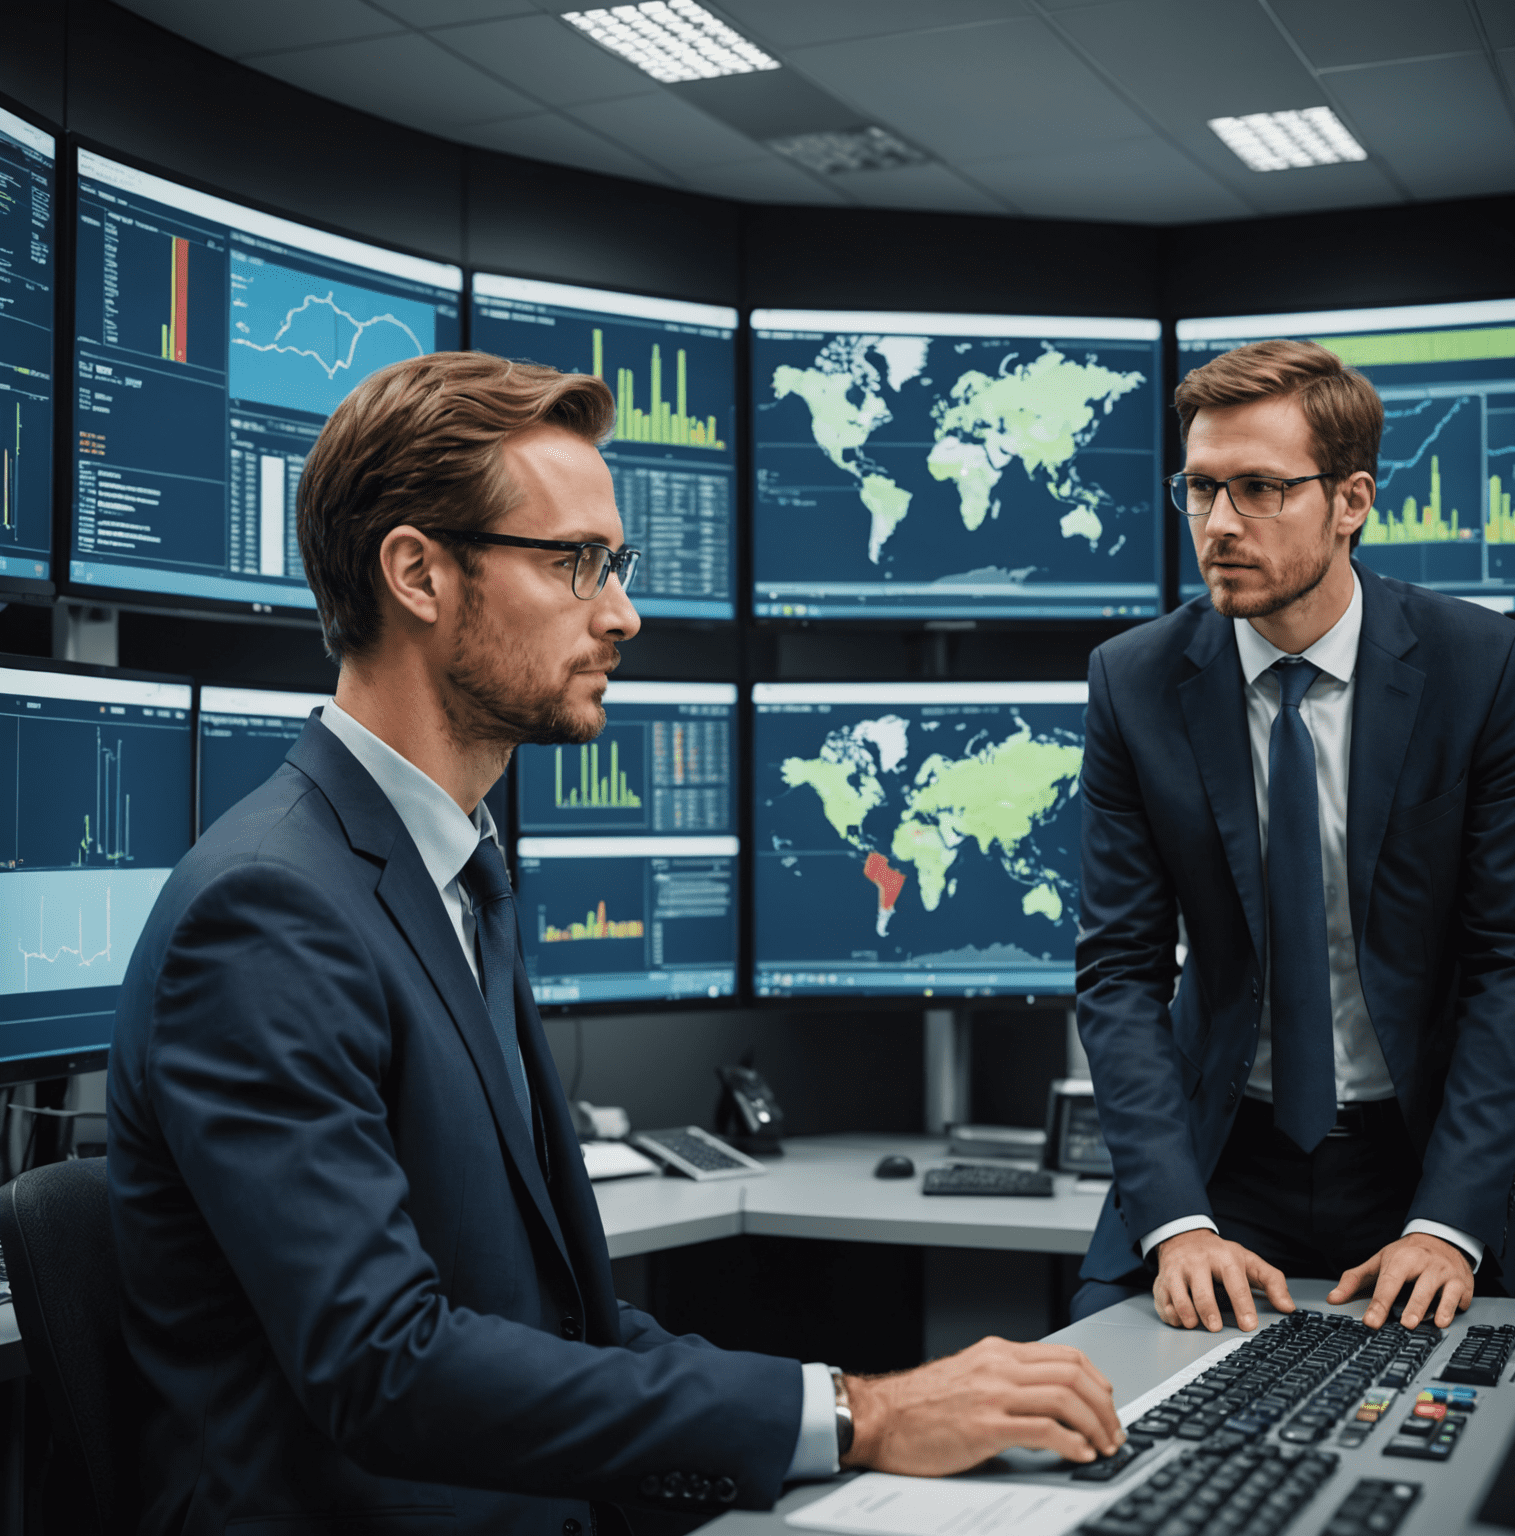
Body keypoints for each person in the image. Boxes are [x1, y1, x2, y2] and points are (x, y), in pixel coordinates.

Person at [107, 351, 1124, 1536]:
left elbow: (567, 1324)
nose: (623, 613)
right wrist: (855, 1416)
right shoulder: (269, 913)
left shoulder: (449, 877)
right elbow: (386, 1366)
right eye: (578, 562)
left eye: (617, 564)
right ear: (418, 573)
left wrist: (846, 1419)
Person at [1072, 339, 1515, 1336]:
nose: (1220, 525)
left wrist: (1450, 1222)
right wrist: (1177, 1224)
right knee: (1107, 1401)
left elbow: (1513, 962)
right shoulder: (1133, 683)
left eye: (1259, 489)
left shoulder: (1480, 667)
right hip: (1222, 1163)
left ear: (1352, 500)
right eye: (1200, 490)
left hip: (1425, 1154)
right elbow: (1119, 972)